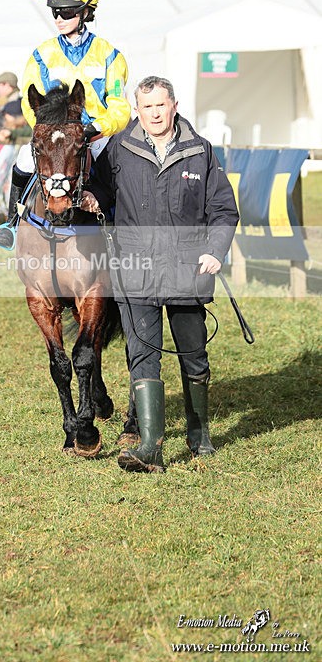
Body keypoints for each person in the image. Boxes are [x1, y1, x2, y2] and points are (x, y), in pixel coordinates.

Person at [82, 75, 239, 473]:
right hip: (135, 270)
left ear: (174, 105)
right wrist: (90, 199)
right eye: (146, 107)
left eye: (160, 105)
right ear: (137, 110)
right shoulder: (120, 147)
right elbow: (102, 189)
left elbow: (223, 209)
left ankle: (199, 434)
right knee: (142, 356)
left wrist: (214, 251)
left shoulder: (199, 150)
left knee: (194, 355)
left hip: (188, 269)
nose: (154, 113)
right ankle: (150, 445)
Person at [0, 0, 131, 249]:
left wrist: (96, 128)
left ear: (85, 12)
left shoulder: (110, 55)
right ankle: (11, 225)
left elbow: (119, 105)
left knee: (123, 170)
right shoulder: (41, 55)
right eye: (54, 11)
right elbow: (29, 103)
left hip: (96, 136)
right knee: (23, 158)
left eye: (66, 12)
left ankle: (124, 235)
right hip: (55, 135)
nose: (58, 18)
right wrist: (47, 128)